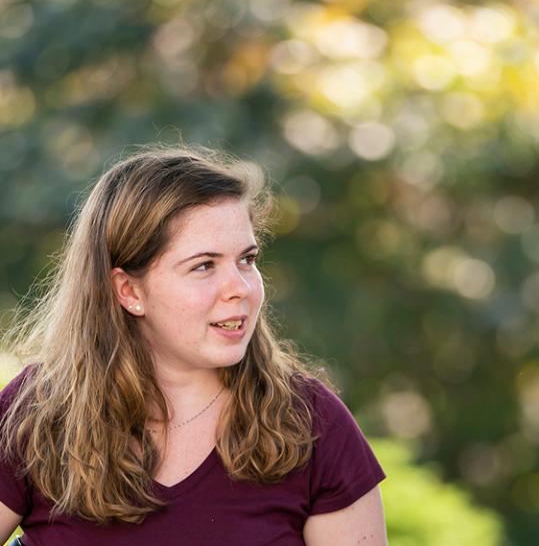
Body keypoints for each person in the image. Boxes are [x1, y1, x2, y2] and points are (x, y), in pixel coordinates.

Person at [0, 148, 387, 545]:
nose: (240, 288)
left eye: (247, 259)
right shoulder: (37, 413)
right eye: (204, 266)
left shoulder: (310, 423)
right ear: (130, 291)